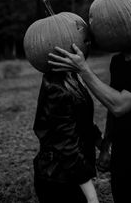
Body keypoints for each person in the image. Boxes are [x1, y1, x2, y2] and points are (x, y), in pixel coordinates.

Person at [48, 42, 131, 203]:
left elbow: (118, 105)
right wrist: (106, 146)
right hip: (124, 161)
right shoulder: (117, 61)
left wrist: (83, 69)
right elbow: (113, 112)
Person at [33, 69, 102, 203]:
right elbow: (65, 143)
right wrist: (92, 197)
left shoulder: (71, 76)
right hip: (59, 179)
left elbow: (83, 121)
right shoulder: (56, 87)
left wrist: (101, 143)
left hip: (72, 174)